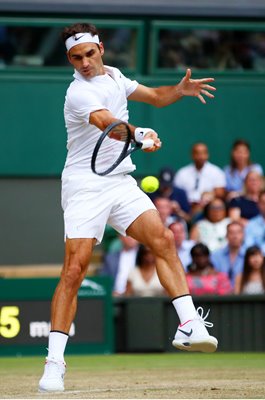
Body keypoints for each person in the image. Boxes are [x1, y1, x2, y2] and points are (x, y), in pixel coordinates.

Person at [38, 22, 218, 392]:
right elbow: (106, 124)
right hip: (84, 185)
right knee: (75, 269)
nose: (84, 63)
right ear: (69, 60)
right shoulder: (77, 93)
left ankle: (188, 325)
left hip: (120, 182)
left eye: (89, 54)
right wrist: (138, 134)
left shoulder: (117, 76)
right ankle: (54, 363)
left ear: (101, 48)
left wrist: (179, 92)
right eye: (76, 58)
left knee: (164, 240)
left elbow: (154, 96)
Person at [173, 142, 226, 218]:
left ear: (207, 155)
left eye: (203, 153)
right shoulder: (182, 173)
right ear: (192, 155)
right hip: (185, 208)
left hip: (206, 211)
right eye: (197, 153)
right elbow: (176, 194)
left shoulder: (216, 172)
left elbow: (220, 194)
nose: (201, 156)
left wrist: (211, 195)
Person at [211, 221, 245, 288]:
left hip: (244, 295)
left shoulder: (248, 255)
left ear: (243, 235)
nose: (235, 236)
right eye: (231, 233)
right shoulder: (216, 255)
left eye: (238, 232)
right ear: (226, 235)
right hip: (220, 294)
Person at [244, 190, 265, 254]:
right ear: (258, 204)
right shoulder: (251, 224)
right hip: (257, 260)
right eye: (263, 203)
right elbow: (249, 246)